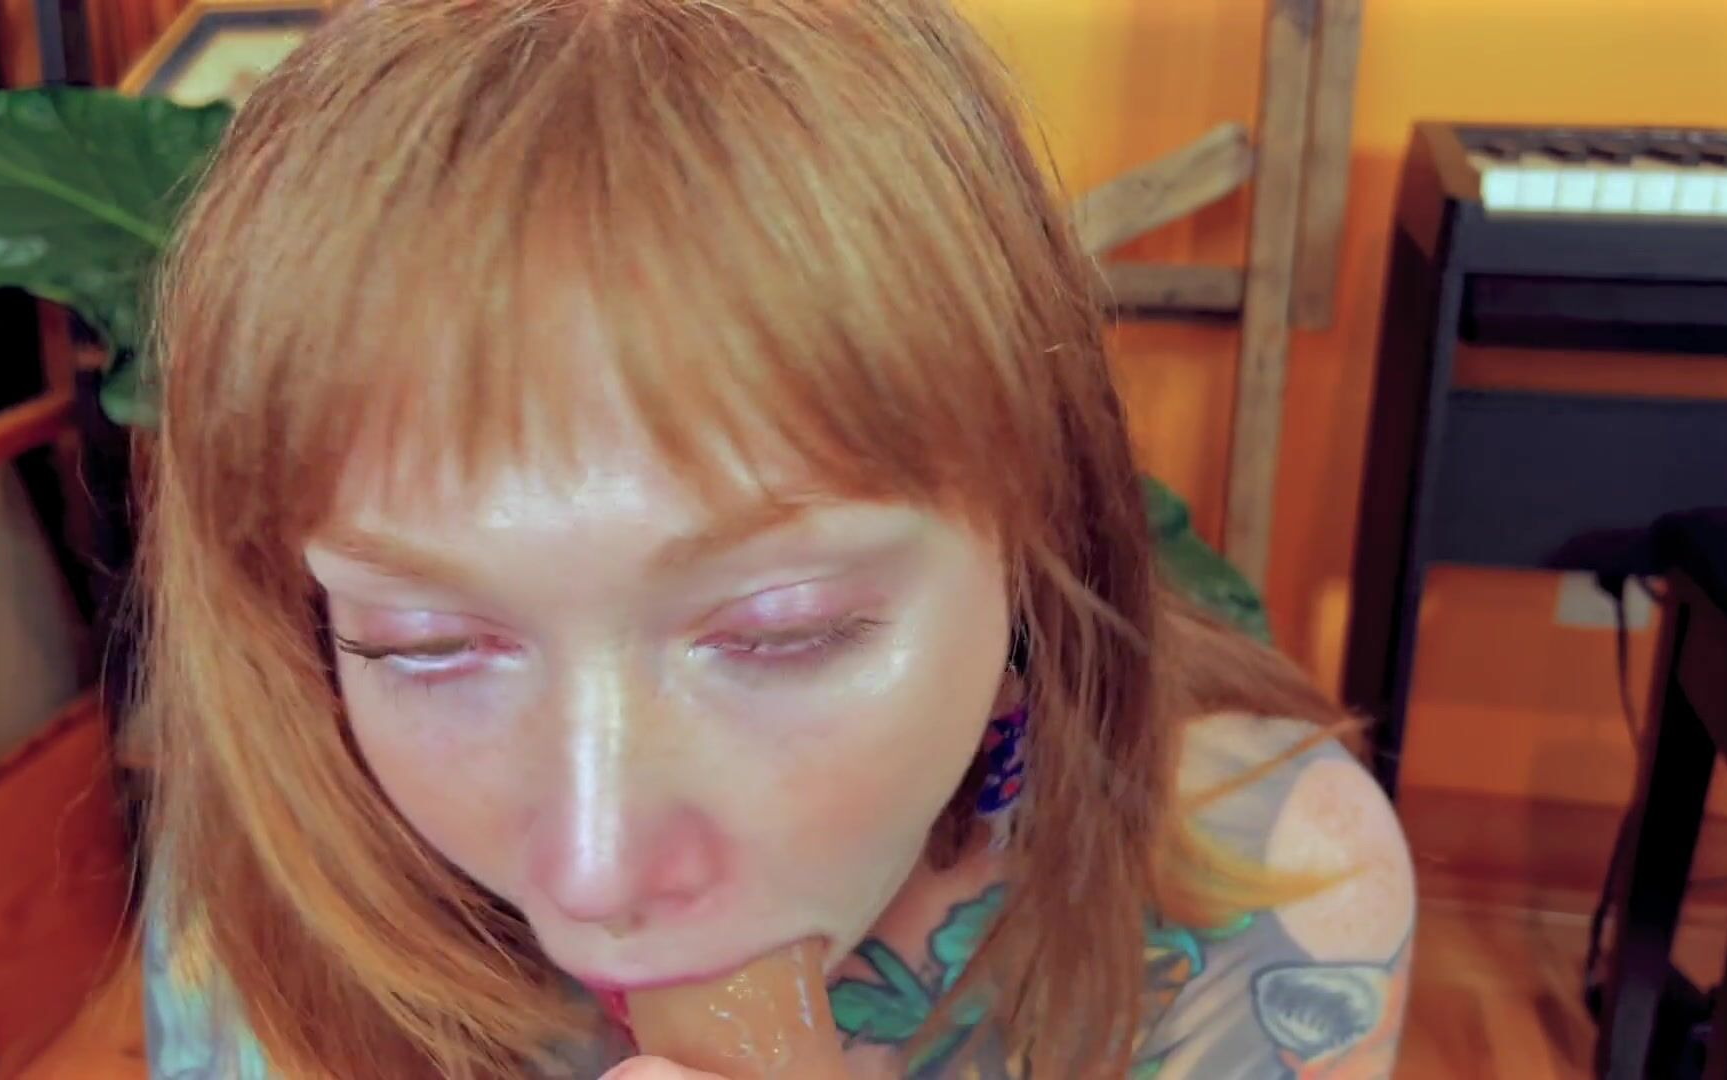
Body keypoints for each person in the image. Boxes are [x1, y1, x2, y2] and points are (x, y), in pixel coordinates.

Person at [135, 0, 1415, 1076]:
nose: (598, 871)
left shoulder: (1265, 895)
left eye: (782, 631)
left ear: (1036, 524)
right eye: (420, 643)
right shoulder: (279, 885)